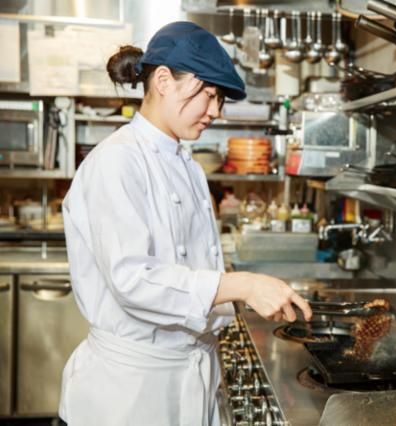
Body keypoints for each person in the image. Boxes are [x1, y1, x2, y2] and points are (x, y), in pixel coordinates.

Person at [59, 21, 312, 426]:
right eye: (208, 95)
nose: (216, 111)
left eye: (220, 100)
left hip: (190, 375)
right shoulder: (117, 161)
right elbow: (133, 280)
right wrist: (243, 285)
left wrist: (246, 294)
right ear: (163, 80)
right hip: (133, 392)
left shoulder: (187, 165)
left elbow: (191, 268)